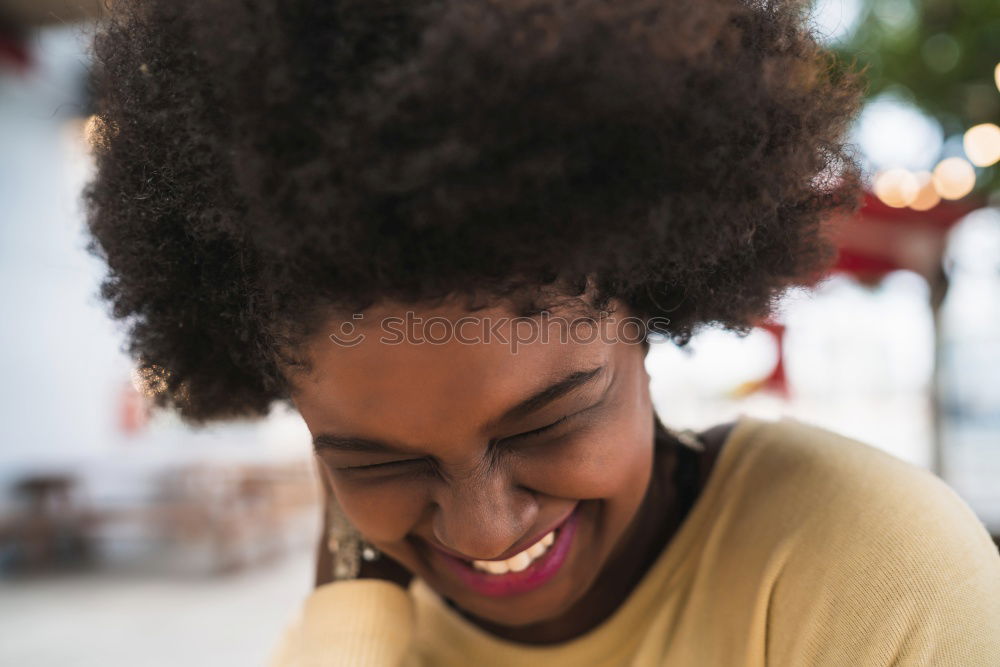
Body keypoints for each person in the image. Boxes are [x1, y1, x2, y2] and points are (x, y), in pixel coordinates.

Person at [82, 0, 1000, 664]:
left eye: (545, 424)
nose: (485, 531)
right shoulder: (368, 633)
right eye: (375, 461)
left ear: (649, 307)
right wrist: (348, 599)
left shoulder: (873, 573)